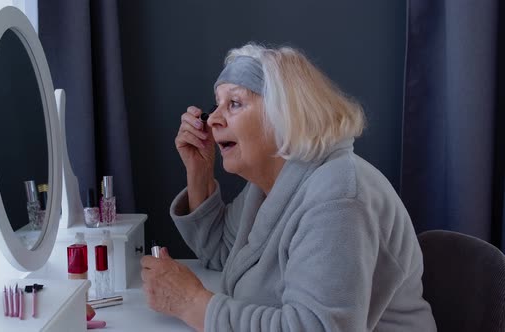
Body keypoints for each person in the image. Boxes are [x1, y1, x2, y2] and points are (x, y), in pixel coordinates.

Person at [140, 43, 437, 332]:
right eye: (215, 105)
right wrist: (199, 170)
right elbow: (220, 253)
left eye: (234, 103)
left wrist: (192, 303)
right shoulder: (273, 185)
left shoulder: (338, 197)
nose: (213, 119)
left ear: (285, 114)